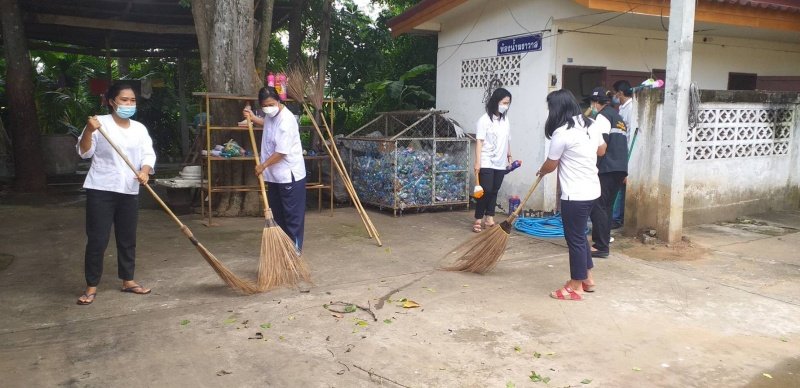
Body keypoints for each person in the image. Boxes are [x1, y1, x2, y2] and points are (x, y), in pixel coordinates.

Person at [76, 82, 156, 305]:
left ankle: (128, 280)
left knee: (127, 238)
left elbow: (148, 154)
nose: (129, 104)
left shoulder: (139, 128)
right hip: (101, 188)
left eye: (132, 100)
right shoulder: (99, 123)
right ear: (112, 101)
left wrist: (145, 171)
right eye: (124, 100)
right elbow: (84, 152)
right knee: (98, 239)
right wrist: (90, 131)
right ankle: (91, 286)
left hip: (129, 189)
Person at [536, 89, 606, 301]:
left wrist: (542, 171)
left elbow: (552, 162)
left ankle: (575, 286)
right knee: (580, 236)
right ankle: (588, 278)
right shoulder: (591, 126)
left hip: (575, 195)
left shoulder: (562, 133)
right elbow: (602, 150)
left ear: (557, 109)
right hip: (593, 190)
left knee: (574, 239)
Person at [244, 87, 306, 252]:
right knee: (278, 214)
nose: (269, 108)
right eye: (265, 106)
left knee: (292, 216)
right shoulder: (271, 115)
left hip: (289, 175)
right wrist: (253, 118)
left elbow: (281, 152)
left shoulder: (287, 120)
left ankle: (295, 251)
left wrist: (262, 166)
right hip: (274, 175)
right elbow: (268, 125)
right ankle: (282, 248)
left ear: (279, 101)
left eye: (271, 104)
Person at [585, 87, 628, 258]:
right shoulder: (619, 118)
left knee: (598, 206)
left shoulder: (602, 117)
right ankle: (603, 240)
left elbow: (601, 145)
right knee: (607, 207)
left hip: (606, 168)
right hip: (619, 168)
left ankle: (601, 246)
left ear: (596, 103)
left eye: (592, 103)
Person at [472, 88, 513, 233]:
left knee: (495, 189)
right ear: (496, 101)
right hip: (486, 159)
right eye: (504, 102)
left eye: (508, 103)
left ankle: (489, 218)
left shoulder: (505, 120)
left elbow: (507, 139)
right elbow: (479, 142)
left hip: (500, 161)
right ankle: (478, 218)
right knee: (486, 190)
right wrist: (478, 162)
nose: (506, 106)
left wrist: (509, 155)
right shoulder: (484, 120)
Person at [611, 80, 635, 229]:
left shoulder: (631, 108)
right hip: (620, 151)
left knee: (621, 185)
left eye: (615, 93)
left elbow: (630, 133)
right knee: (619, 185)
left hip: (626, 151)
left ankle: (617, 218)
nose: (614, 96)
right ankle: (616, 216)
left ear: (620, 93)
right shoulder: (622, 108)